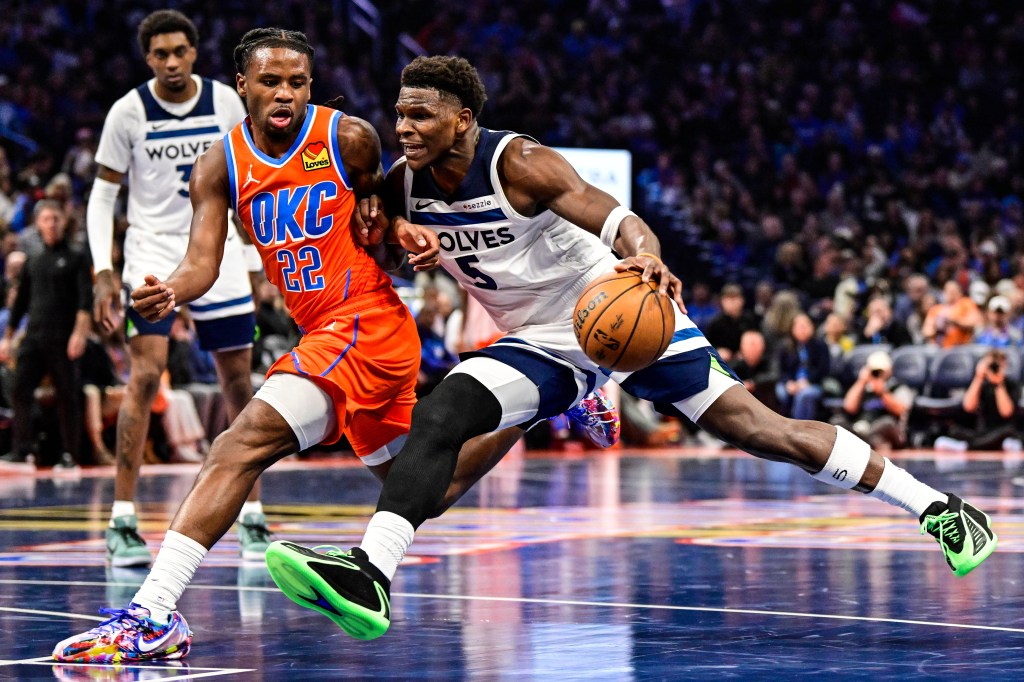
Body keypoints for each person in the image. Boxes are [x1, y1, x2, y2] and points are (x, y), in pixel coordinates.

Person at [256, 56, 997, 641]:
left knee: (761, 431)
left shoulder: (520, 163)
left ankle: (941, 508)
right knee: (442, 414)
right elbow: (379, 232)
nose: (404, 126)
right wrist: (396, 235)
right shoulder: (403, 184)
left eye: (421, 114)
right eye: (399, 113)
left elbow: (615, 217)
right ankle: (371, 575)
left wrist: (647, 254)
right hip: (538, 341)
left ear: (463, 119)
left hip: (613, 309)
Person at [53, 30, 615, 664]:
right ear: (242, 86)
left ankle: (152, 615)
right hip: (328, 329)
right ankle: (554, 392)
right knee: (421, 487)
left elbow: (383, 212)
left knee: (239, 444)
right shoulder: (218, 164)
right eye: (271, 82)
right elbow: (203, 262)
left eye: (297, 82)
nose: (285, 93)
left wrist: (397, 229)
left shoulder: (346, 138)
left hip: (362, 323)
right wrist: (172, 291)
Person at [85, 10, 271, 567]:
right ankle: (122, 520)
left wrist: (255, 256)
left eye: (179, 51)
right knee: (145, 377)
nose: (170, 62)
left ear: (194, 52)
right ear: (148, 59)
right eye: (160, 54)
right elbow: (102, 195)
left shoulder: (224, 102)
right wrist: (103, 269)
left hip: (217, 247)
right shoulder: (127, 112)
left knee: (238, 383)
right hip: (152, 253)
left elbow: (249, 181)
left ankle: (253, 517)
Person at [0, 200, 92, 469]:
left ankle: (69, 454)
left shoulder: (76, 256)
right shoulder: (33, 259)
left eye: (56, 219)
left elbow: (85, 301)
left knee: (68, 395)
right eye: (46, 219)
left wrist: (79, 334)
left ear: (63, 222)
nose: (51, 224)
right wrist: (8, 337)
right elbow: (20, 303)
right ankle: (22, 450)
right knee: (19, 388)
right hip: (34, 336)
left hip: (64, 337)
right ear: (38, 224)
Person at [935, 349, 1022, 452]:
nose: (993, 368)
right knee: (954, 430)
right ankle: (980, 444)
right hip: (982, 432)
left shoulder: (1011, 385)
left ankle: (967, 446)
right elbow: (968, 407)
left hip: (1001, 430)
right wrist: (978, 377)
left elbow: (1006, 412)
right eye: (990, 365)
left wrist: (999, 384)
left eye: (997, 365)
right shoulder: (980, 384)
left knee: (1008, 434)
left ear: (1004, 365)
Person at [833, 350, 914, 452]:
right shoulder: (863, 388)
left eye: (881, 371)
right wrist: (861, 381)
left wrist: (882, 392)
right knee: (837, 422)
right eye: (874, 371)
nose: (878, 374)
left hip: (883, 429)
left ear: (889, 370)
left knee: (886, 423)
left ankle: (865, 443)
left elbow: (901, 411)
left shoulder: (898, 387)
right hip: (861, 429)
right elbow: (849, 407)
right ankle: (864, 442)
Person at [775, 313, 830, 421]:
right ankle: (784, 422)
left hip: (813, 383)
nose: (803, 330)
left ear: (812, 327)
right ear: (792, 329)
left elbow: (823, 369)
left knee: (805, 394)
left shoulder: (820, 346)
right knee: (783, 391)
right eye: (799, 327)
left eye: (805, 326)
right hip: (791, 382)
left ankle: (799, 425)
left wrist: (807, 381)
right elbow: (780, 370)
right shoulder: (785, 347)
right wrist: (788, 382)